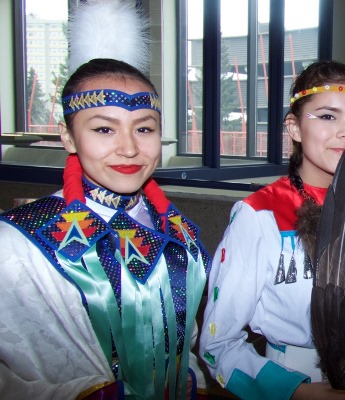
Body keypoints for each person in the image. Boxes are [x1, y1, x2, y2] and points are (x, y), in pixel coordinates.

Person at [200, 60, 345, 400]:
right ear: (294, 127)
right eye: (328, 116)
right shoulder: (260, 215)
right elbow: (216, 345)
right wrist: (294, 392)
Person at [0, 56, 210, 399]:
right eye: (104, 129)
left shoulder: (177, 231)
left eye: (144, 128)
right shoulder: (17, 241)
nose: (129, 148)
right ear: (68, 138)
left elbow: (186, 340)